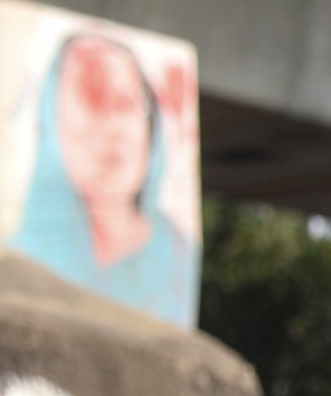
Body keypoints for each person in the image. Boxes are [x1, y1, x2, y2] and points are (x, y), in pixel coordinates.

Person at [14, 29, 196, 320]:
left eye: (123, 104)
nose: (111, 130)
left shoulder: (177, 253)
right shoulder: (18, 259)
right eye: (92, 103)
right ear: (52, 126)